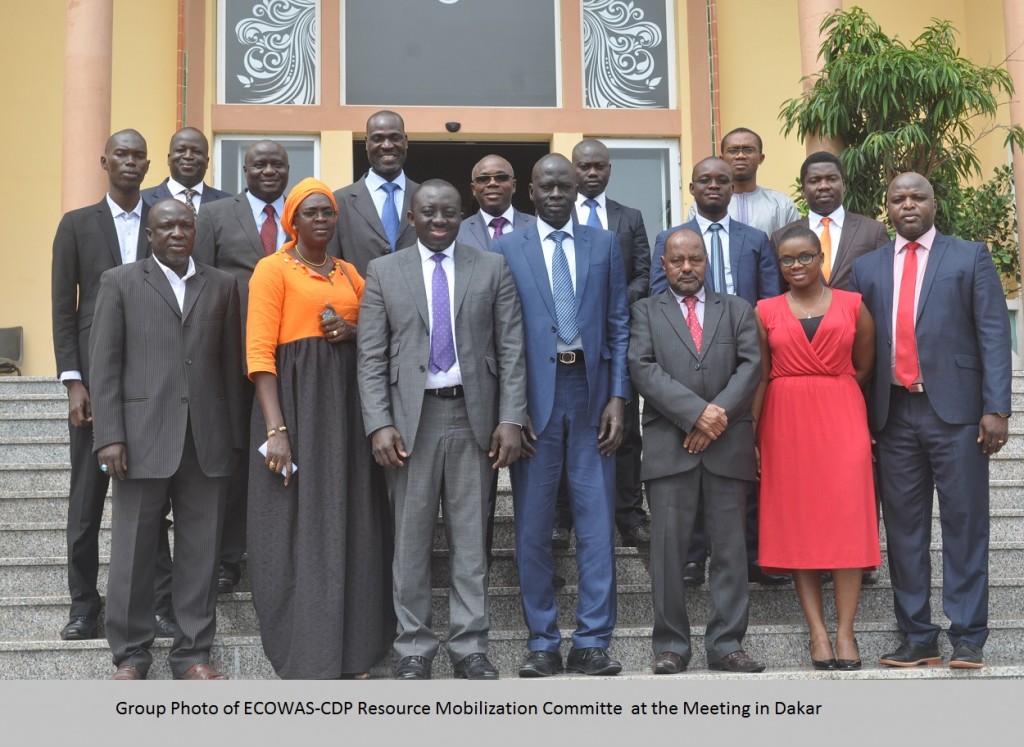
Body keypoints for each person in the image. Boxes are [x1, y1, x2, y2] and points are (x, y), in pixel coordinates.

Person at [358, 180, 528, 680]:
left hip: (474, 418)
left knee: (471, 541)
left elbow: (512, 349)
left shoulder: (492, 266)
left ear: (462, 215)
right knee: (410, 541)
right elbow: (370, 357)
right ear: (411, 216)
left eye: (449, 212)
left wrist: (511, 417)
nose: (438, 220)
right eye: (428, 212)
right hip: (410, 422)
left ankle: (469, 646)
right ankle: (413, 649)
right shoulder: (383, 272)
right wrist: (379, 423)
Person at [851, 172, 1012, 670]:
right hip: (893, 414)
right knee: (903, 529)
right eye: (897, 198)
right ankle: (917, 634)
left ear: (934, 202)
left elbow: (993, 335)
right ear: (888, 208)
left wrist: (997, 407)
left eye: (917, 196)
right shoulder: (866, 268)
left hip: (959, 414)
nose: (908, 204)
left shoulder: (969, 256)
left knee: (965, 523)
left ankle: (967, 636)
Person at [89, 199, 244, 680]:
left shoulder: (222, 284)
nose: (177, 232)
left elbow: (230, 365)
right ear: (150, 235)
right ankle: (131, 656)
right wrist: (108, 436)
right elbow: (105, 365)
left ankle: (193, 655)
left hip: (207, 439)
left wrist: (236, 437)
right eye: (166, 226)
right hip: (139, 439)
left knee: (200, 552)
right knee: (133, 552)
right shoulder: (120, 281)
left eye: (185, 225)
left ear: (196, 230)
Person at [245, 177, 391, 679]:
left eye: (328, 212)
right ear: (292, 221)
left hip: (348, 411)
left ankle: (355, 653)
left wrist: (353, 331)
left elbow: (381, 329)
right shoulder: (272, 270)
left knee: (353, 522)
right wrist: (276, 429)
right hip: (297, 407)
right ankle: (309, 652)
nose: (322, 220)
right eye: (311, 213)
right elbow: (260, 355)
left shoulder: (351, 273)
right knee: (302, 527)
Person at [491, 154, 630, 678]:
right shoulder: (506, 248)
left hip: (592, 396)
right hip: (533, 402)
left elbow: (618, 325)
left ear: (578, 189)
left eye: (564, 186)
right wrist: (510, 408)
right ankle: (543, 641)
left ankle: (593, 641)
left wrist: (619, 397)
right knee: (531, 524)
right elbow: (501, 336)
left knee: (597, 524)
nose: (555, 193)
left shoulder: (605, 244)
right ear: (530, 191)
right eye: (546, 186)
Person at [50, 129, 175, 641]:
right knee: (87, 500)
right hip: (95, 382)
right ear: (105, 161)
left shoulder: (165, 220)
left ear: (148, 166)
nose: (130, 161)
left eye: (138, 155)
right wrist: (74, 383)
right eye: (121, 153)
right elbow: (63, 310)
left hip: (150, 380)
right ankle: (84, 605)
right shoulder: (77, 225)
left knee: (150, 497)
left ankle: (161, 604)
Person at [628, 228, 765, 674]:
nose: (687, 268)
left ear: (707, 262)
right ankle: (671, 646)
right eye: (677, 260)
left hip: (727, 447)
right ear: (663, 265)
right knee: (668, 553)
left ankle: (727, 644)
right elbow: (642, 368)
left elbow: (752, 366)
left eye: (695, 260)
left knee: (729, 551)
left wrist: (715, 416)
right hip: (671, 449)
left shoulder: (738, 309)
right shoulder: (645, 312)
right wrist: (695, 415)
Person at [650, 156, 785, 587]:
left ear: (734, 188)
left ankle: (750, 555)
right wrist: (695, 412)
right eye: (704, 180)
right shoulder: (670, 239)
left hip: (738, 364)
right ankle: (692, 558)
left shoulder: (755, 238)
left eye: (722, 180)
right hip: (682, 369)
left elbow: (768, 302)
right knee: (688, 484)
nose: (713, 186)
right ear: (691, 188)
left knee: (735, 482)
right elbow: (658, 310)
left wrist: (723, 407)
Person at [755, 226, 880, 671]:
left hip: (841, 415)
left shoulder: (853, 305)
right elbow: (761, 375)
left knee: (847, 521)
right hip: (784, 423)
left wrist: (831, 392)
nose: (796, 267)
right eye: (787, 261)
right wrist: (754, 436)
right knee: (799, 525)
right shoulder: (765, 310)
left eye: (805, 257)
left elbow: (865, 366)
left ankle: (846, 631)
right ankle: (818, 633)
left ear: (820, 255)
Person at [193, 139, 290, 594]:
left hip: (292, 356)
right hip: (232, 356)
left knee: (290, 453)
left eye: (277, 164)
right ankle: (227, 559)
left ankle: (285, 551)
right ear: (244, 169)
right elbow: (200, 285)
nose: (269, 170)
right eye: (259, 164)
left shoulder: (305, 212)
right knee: (232, 458)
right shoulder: (213, 215)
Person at [552, 138, 651, 548]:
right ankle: (562, 518)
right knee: (560, 431)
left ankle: (628, 515)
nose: (592, 173)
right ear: (573, 169)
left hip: (614, 338)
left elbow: (645, 275)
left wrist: (610, 301)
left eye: (599, 166)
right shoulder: (555, 216)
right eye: (584, 166)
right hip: (565, 346)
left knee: (624, 428)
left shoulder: (629, 218)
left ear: (609, 169)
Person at [771, 151, 889, 291]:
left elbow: (885, 286)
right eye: (814, 181)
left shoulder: (873, 231)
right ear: (803, 190)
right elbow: (777, 291)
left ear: (844, 185)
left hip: (858, 312)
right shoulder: (781, 237)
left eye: (831, 179)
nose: (824, 186)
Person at [329, 110, 419, 275]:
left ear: (405, 141)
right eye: (377, 138)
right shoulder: (339, 202)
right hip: (360, 299)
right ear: (366, 143)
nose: (387, 145)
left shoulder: (425, 198)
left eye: (395, 137)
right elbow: (331, 266)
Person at [687, 127, 799, 236]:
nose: (740, 156)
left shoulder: (781, 204)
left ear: (761, 158)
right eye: (733, 150)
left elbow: (795, 247)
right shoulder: (702, 206)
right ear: (722, 159)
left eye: (748, 150)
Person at [456, 154, 535, 251]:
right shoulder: (458, 232)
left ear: (514, 186)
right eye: (483, 179)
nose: (492, 183)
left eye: (501, 177)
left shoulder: (536, 227)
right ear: (473, 189)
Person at [141, 127, 231, 212]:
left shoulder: (228, 204)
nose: (188, 156)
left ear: (207, 161)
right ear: (168, 158)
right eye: (180, 150)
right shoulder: (143, 200)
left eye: (196, 152)